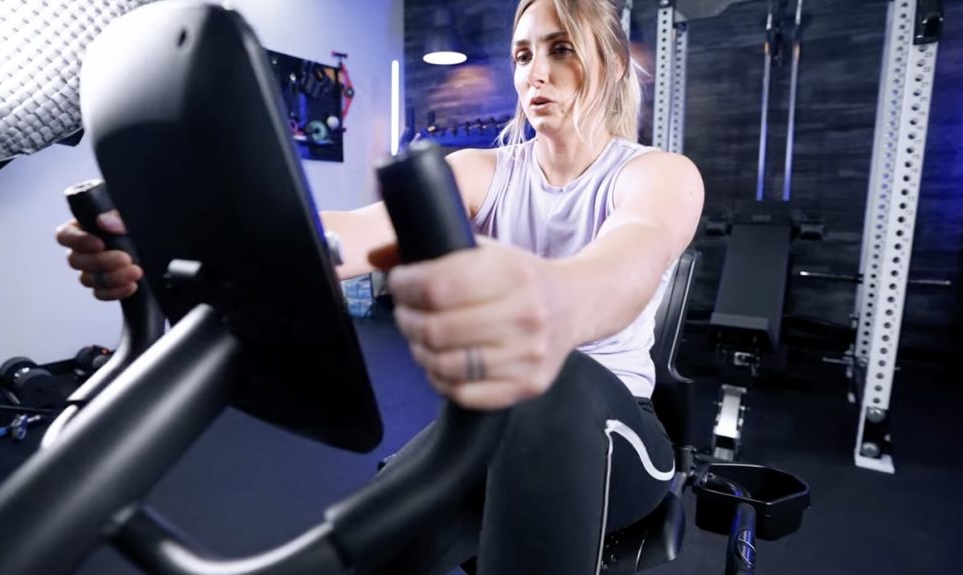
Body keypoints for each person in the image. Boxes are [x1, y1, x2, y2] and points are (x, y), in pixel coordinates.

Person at [56, 0, 703, 571]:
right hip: (493, 419)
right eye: (523, 54)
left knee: (550, 379)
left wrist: (546, 302)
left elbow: (627, 263)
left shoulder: (658, 174)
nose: (535, 72)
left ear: (614, 63)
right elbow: (351, 233)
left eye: (560, 49)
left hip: (617, 429)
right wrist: (162, 232)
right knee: (380, 533)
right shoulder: (485, 169)